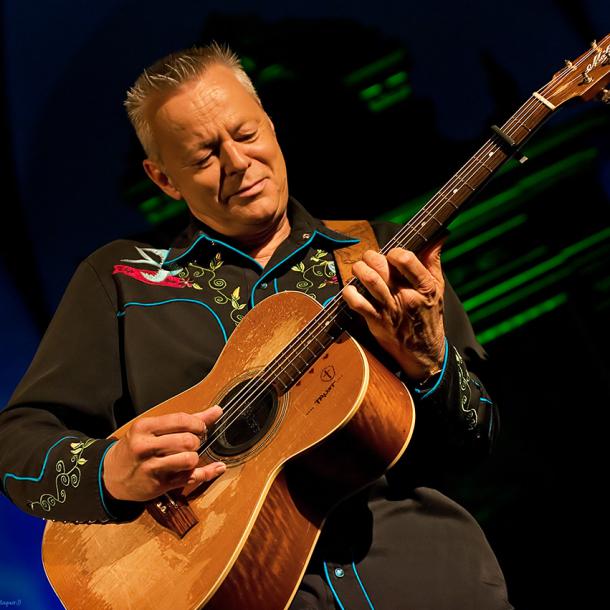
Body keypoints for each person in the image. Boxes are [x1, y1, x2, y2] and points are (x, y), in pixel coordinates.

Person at [0, 43, 512, 609]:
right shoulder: (121, 280)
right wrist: (109, 472)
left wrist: (430, 360)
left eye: (245, 135)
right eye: (203, 156)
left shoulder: (383, 259)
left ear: (270, 125)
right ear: (164, 178)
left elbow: (476, 443)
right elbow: (17, 445)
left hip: (427, 585)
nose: (238, 163)